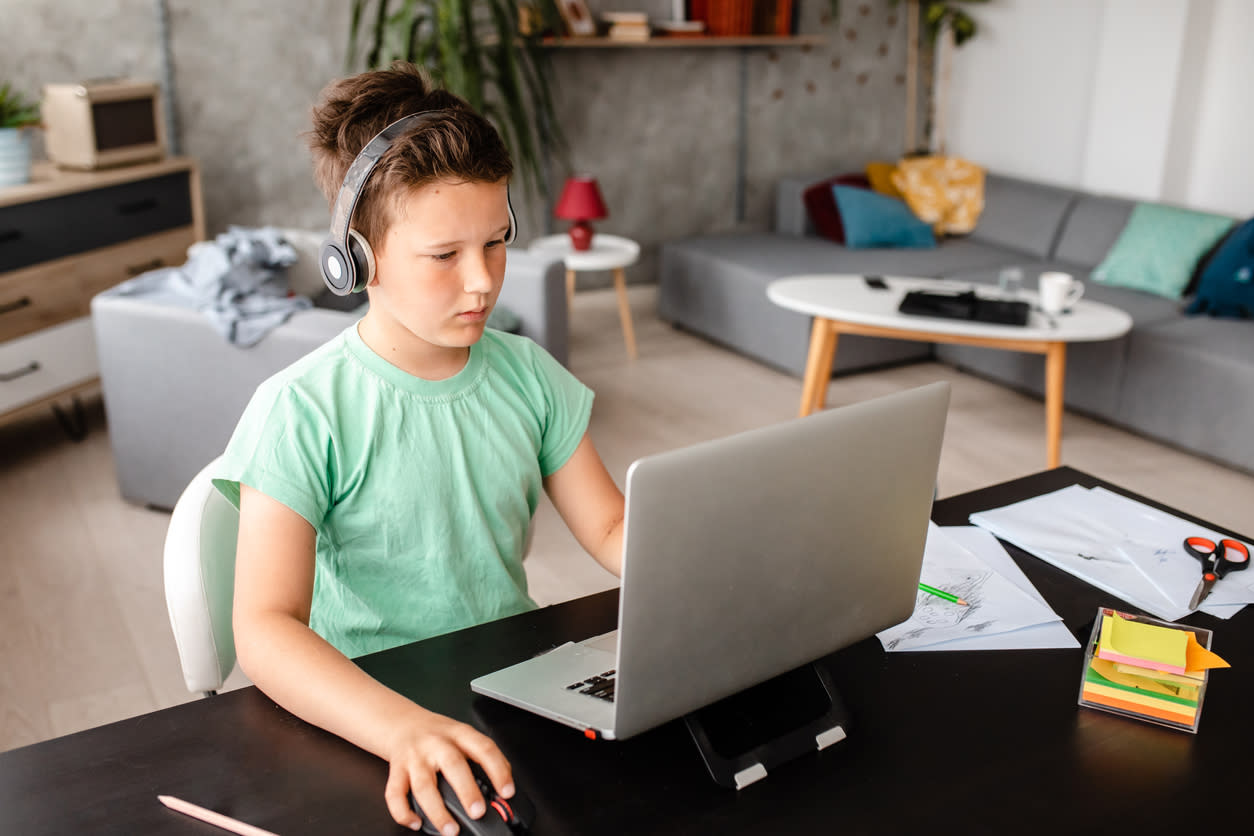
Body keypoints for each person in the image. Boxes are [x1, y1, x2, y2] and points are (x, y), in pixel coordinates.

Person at [212, 62, 625, 834]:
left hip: (507, 685)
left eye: (497, 243)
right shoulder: (301, 411)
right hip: (364, 712)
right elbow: (265, 628)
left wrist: (709, 562)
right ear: (355, 259)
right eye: (445, 256)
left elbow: (608, 529)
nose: (482, 283)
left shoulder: (529, 374)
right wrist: (399, 728)